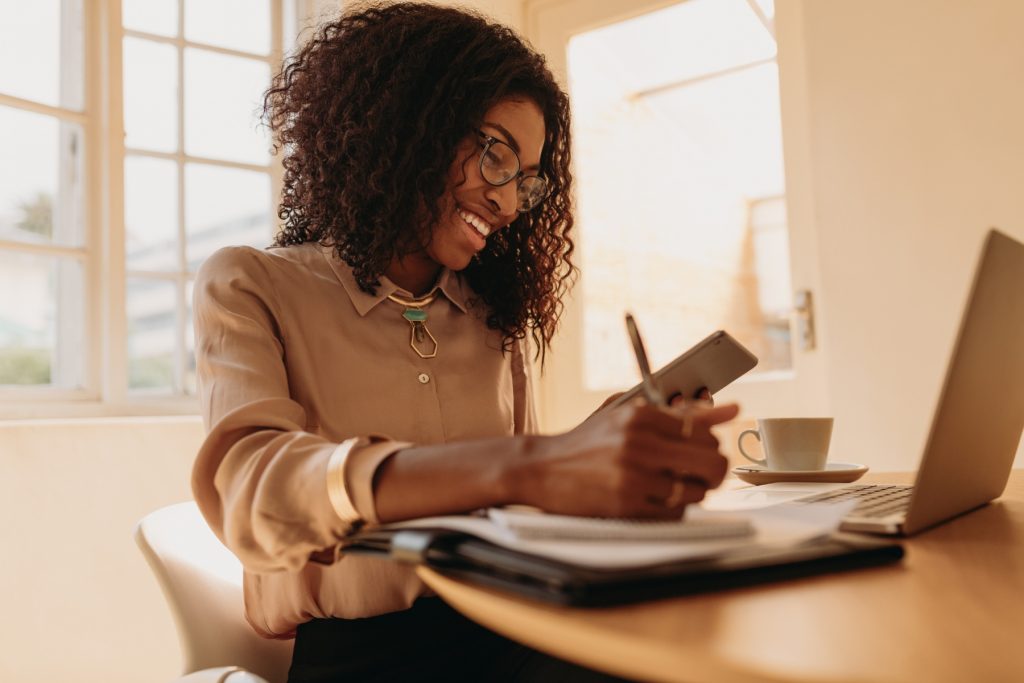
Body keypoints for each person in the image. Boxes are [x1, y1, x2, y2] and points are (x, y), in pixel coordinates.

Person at [192, 2, 739, 681]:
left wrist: (602, 462)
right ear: (407, 123)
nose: (509, 203)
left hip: (515, 625)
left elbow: (519, 511)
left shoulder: (488, 317)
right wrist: (528, 463)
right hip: (366, 658)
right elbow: (252, 489)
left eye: (527, 181)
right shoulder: (252, 284)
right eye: (496, 154)